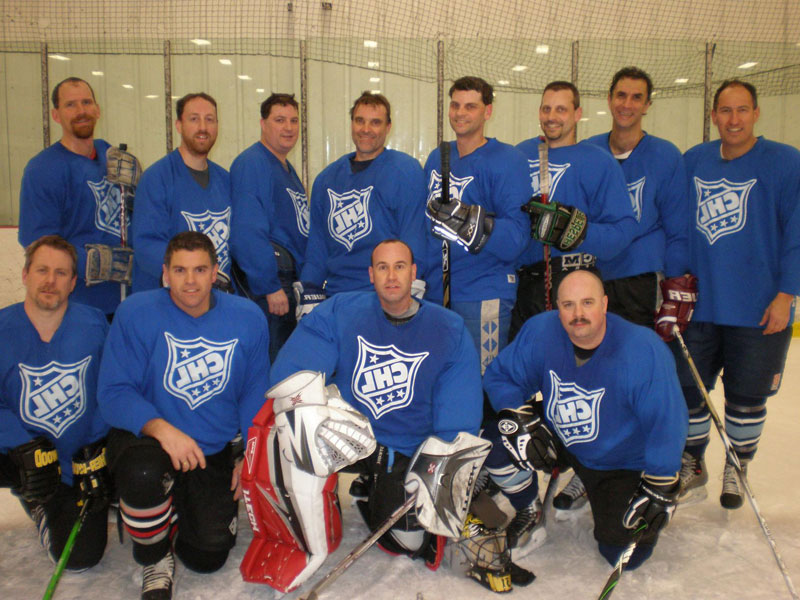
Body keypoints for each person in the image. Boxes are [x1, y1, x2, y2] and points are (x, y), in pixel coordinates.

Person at [272, 239, 483, 568]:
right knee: (291, 433)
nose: (392, 276)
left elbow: (459, 410)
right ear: (371, 274)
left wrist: (437, 468)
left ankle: (375, 490)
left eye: (400, 267)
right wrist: (314, 410)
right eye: (383, 268)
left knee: (410, 541)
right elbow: (295, 371)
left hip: (404, 446)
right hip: (350, 433)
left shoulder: (448, 328)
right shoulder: (342, 311)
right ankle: (322, 510)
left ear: (413, 273)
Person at [98, 231, 269, 599]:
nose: (190, 281)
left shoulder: (248, 318)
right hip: (150, 441)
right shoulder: (136, 313)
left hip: (209, 449)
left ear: (215, 272)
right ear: (165, 274)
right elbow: (112, 393)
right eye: (180, 270)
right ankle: (155, 556)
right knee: (143, 473)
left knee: (207, 556)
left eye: (199, 270)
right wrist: (162, 429)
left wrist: (250, 455)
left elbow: (254, 395)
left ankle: (166, 511)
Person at [553, 68, 695, 513]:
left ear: (647, 104)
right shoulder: (590, 150)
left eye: (636, 97)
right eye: (620, 95)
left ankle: (633, 468)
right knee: (586, 376)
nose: (627, 104)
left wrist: (676, 283)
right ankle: (587, 468)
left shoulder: (665, 156)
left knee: (631, 376)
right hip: (589, 276)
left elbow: (678, 227)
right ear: (609, 99)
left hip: (637, 280)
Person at [484, 269, 687, 570]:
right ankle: (529, 507)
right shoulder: (541, 331)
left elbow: (666, 421)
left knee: (623, 555)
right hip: (559, 433)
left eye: (587, 303)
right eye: (568, 305)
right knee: (497, 439)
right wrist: (519, 416)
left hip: (619, 461)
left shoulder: (642, 349)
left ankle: (592, 484)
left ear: (604, 304)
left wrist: (662, 480)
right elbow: (501, 376)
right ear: (557, 307)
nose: (578, 314)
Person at [677, 80, 800, 509]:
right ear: (713, 115)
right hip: (700, 306)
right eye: (725, 111)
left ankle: (737, 462)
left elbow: (796, 234)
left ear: (756, 113)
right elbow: (676, 226)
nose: (734, 120)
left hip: (759, 308)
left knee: (746, 399)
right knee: (687, 391)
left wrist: (787, 294)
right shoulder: (694, 160)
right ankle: (692, 464)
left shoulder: (786, 162)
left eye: (742, 110)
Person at [0, 235, 111, 571]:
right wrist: (23, 447)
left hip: (78, 463)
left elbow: (112, 388)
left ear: (73, 282)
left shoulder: (94, 324)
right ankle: (31, 491)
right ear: (25, 275)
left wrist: (95, 446)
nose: (50, 280)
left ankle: (49, 501)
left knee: (80, 557)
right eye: (42, 270)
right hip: (23, 457)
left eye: (61, 273)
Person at [511, 80, 636, 339]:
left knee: (573, 360)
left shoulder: (599, 161)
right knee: (526, 360)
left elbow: (623, 231)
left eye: (561, 110)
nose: (552, 117)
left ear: (577, 114)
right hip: (526, 285)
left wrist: (579, 232)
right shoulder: (518, 155)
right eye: (546, 109)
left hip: (576, 284)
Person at [424, 76, 530, 374]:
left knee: (481, 383)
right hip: (436, 293)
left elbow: (517, 238)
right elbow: (425, 226)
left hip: (483, 293)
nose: (460, 112)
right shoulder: (438, 157)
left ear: (488, 111)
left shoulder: (508, 161)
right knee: (441, 382)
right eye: (455, 105)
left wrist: (473, 224)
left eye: (470, 106)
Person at [295, 92, 428, 317]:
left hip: (384, 298)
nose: (366, 129)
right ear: (352, 124)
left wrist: (409, 291)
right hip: (337, 298)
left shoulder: (405, 171)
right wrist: (309, 288)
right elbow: (318, 246)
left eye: (375, 122)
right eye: (360, 121)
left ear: (388, 127)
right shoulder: (326, 179)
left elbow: (413, 239)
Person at [19, 77, 136, 318]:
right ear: (56, 115)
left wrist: (137, 192)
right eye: (70, 105)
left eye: (86, 102)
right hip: (77, 304)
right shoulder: (43, 169)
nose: (81, 111)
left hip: (126, 299)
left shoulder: (111, 155)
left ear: (97, 110)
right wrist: (91, 262)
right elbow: (37, 243)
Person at [230, 93, 308, 361]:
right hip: (272, 283)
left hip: (286, 280)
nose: (288, 127)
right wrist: (269, 286)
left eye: (294, 121)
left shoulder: (283, 166)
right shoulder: (253, 163)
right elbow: (247, 231)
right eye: (279, 120)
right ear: (263, 124)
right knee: (272, 363)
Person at [132, 93, 234, 293]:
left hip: (215, 298)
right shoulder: (156, 179)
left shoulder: (225, 180)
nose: (203, 127)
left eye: (209, 119)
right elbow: (147, 247)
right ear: (179, 125)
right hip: (168, 300)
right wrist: (194, 277)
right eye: (194, 119)